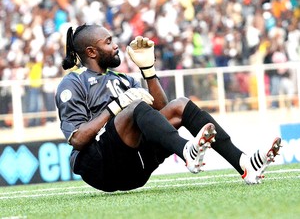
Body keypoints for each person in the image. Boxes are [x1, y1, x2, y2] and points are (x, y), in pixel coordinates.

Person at [55, 24, 282, 192]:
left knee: (179, 105)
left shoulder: (124, 80)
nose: (116, 46)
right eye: (108, 42)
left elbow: (159, 116)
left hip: (134, 169)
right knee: (135, 106)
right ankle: (187, 152)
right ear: (91, 52)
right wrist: (115, 107)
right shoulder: (73, 83)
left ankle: (244, 164)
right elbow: (77, 139)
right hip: (101, 167)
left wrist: (148, 70)